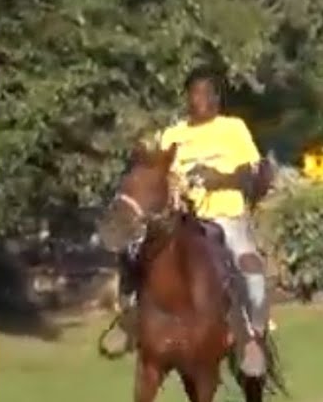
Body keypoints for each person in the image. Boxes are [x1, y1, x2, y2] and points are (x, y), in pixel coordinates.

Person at [102, 66, 273, 376]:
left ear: (216, 98)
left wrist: (219, 178)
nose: (199, 99)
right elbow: (159, 173)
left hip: (224, 218)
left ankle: (253, 339)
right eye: (193, 93)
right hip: (182, 219)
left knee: (250, 268)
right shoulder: (174, 134)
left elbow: (254, 172)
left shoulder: (233, 129)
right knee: (132, 248)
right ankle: (128, 318)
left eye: (206, 93)